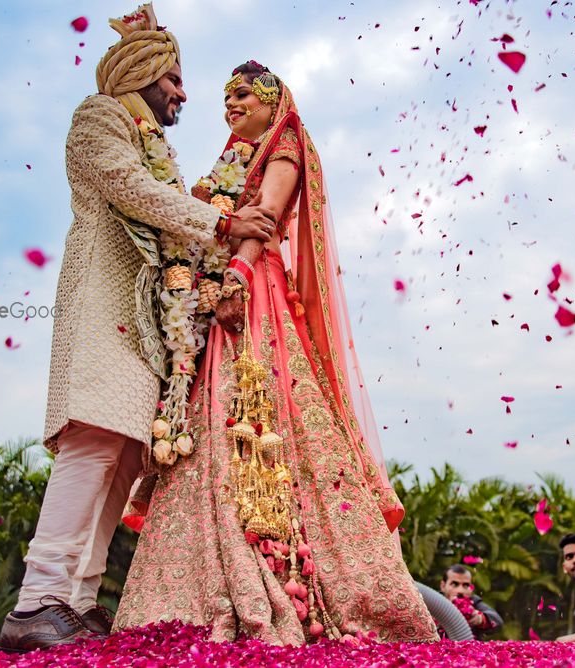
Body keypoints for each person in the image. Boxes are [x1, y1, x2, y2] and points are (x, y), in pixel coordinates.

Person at [112, 61, 438, 645]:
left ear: (270, 100)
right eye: (225, 97)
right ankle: (205, 582)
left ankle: (290, 576)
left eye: (240, 95)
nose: (229, 106)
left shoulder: (282, 141)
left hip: (253, 288)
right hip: (225, 294)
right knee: (215, 418)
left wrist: (233, 276)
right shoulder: (231, 160)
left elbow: (259, 226)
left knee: (258, 415)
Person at [0, 4, 275, 653]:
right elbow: (129, 190)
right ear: (141, 72)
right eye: (173, 78)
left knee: (124, 451)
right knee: (93, 440)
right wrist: (223, 224)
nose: (182, 92)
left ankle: (77, 601)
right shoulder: (100, 118)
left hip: (150, 322)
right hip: (104, 305)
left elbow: (175, 226)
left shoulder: (163, 152)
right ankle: (37, 598)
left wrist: (227, 270)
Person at [438, 565, 504, 639]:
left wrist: (480, 619)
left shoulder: (474, 602)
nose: (460, 590)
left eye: (465, 586)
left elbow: (497, 620)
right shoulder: (433, 602)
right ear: (443, 586)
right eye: (454, 584)